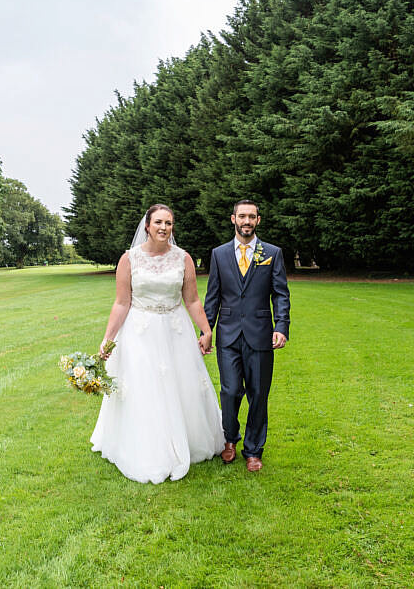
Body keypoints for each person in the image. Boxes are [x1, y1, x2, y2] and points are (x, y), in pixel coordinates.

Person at [90, 204, 225, 483]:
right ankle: (149, 448)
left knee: (182, 386)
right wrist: (108, 339)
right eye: (159, 222)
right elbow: (121, 302)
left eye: (169, 223)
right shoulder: (129, 259)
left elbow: (192, 300)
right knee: (146, 388)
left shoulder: (183, 258)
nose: (164, 228)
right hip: (141, 332)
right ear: (148, 226)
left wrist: (206, 330)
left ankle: (188, 440)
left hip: (176, 331)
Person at [204, 200, 290, 472]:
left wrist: (281, 326)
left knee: (258, 394)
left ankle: (253, 449)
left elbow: (280, 293)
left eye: (251, 217)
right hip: (228, 336)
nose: (247, 221)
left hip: (260, 334)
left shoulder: (272, 253)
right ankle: (230, 439)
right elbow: (213, 296)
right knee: (229, 391)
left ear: (258, 220)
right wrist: (207, 330)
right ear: (233, 219)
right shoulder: (219, 254)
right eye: (242, 216)